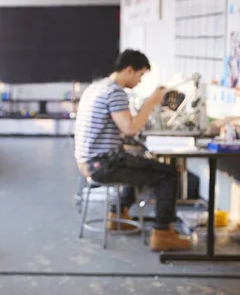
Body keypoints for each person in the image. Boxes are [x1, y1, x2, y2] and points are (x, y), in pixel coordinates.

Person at [74, 49, 191, 251]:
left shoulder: (97, 87)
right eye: (140, 75)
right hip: (103, 164)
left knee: (139, 163)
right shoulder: (114, 92)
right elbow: (130, 128)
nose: (140, 81)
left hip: (88, 161)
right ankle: (163, 234)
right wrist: (151, 102)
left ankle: (117, 215)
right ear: (129, 70)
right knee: (168, 174)